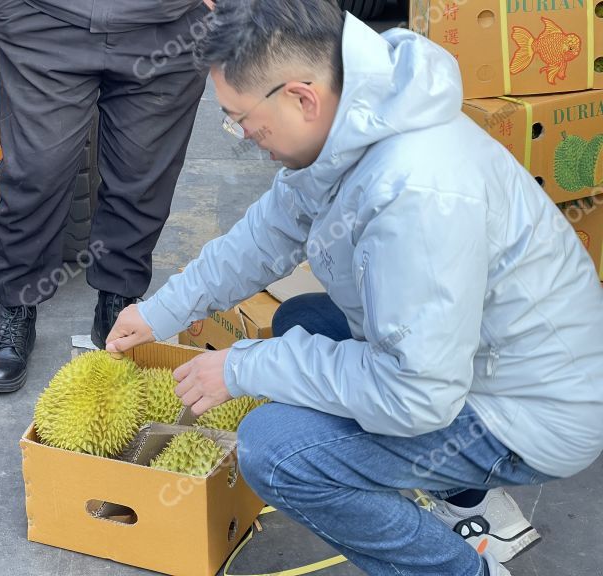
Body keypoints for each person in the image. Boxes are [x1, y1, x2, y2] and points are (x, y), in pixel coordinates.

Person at [106, 1, 603, 575]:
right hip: (480, 360)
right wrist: (162, 311)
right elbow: (269, 233)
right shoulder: (361, 115)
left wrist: (242, 366)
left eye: (242, 120)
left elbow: (418, 395)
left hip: (530, 413)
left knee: (274, 449)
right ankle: (463, 495)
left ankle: (464, 567)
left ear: (301, 97)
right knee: (305, 320)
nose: (242, 135)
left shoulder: (417, 196)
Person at [0, 0, 213, 392]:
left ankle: (117, 305)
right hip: (46, 18)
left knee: (143, 176)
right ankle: (16, 307)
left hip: (169, 24)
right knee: (37, 172)